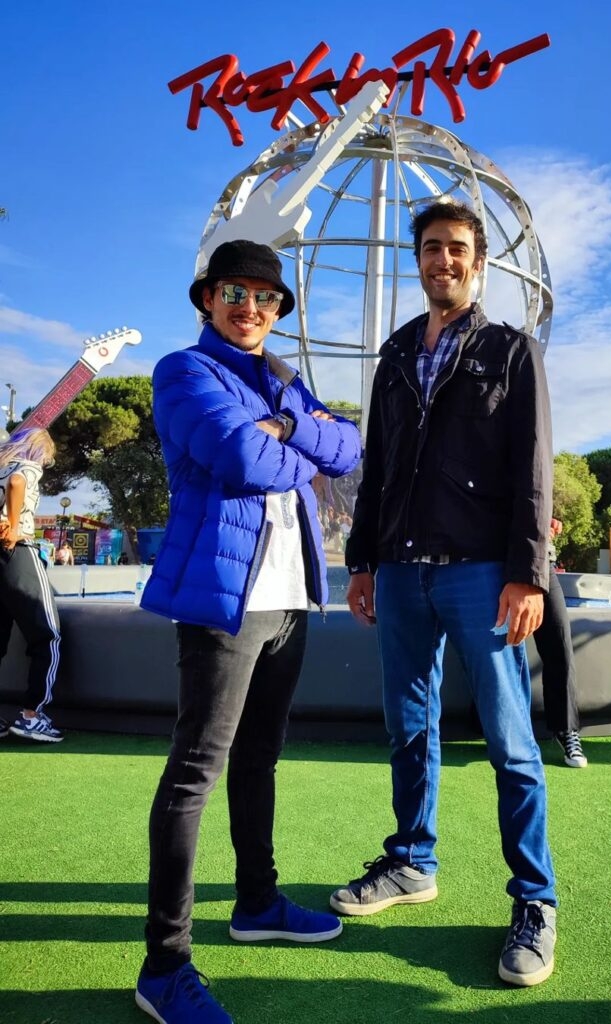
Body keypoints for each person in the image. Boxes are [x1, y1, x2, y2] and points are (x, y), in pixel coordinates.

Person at [136, 239, 361, 1024]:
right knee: (195, 772)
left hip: (291, 600)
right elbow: (239, 458)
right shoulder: (183, 371)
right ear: (207, 298)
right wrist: (295, 443)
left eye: (266, 298)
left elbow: (350, 445)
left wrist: (283, 426)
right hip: (224, 605)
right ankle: (164, 964)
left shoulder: (283, 382)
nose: (251, 307)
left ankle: (257, 903)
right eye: (235, 291)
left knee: (259, 760)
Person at [336, 200, 558, 988]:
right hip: (399, 570)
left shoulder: (510, 350)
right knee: (408, 727)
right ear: (418, 258)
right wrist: (362, 560)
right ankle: (410, 862)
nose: (444, 260)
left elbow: (534, 465)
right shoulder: (396, 352)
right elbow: (380, 465)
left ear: (480, 260)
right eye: (431, 248)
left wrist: (527, 571)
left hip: (478, 572)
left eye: (458, 249)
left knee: (510, 745)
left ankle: (534, 901)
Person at [0, 428, 64, 743]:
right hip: (17, 551)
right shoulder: (26, 466)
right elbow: (18, 483)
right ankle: (32, 715)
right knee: (47, 636)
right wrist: (13, 527)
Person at [534, 519, 588, 768]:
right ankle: (497, 729)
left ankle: (566, 730)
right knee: (495, 648)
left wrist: (548, 520)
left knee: (560, 644)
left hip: (541, 562)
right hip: (493, 562)